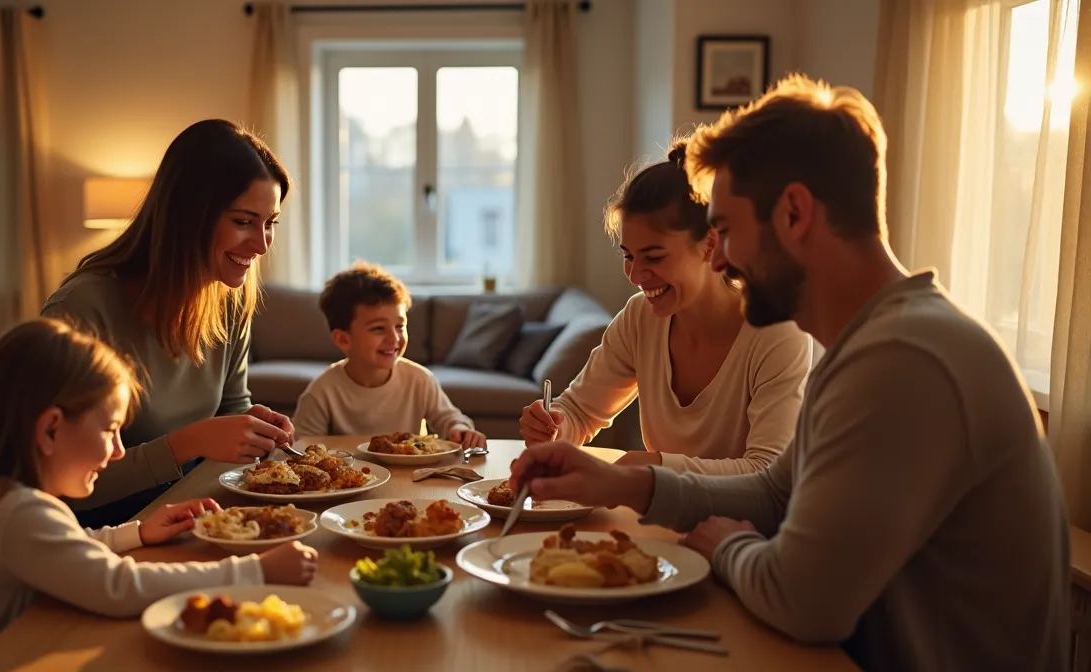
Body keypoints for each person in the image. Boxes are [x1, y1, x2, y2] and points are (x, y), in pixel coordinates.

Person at [508, 74, 1068, 672]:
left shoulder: (904, 360)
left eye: (723, 231)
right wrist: (626, 485)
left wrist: (728, 548)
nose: (718, 258)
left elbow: (804, 602)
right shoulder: (870, 342)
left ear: (795, 212)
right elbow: (779, 489)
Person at [0, 319, 318, 671]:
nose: (117, 451)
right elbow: (119, 587)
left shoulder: (1, 500)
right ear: (50, 431)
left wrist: (138, 533)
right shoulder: (18, 513)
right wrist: (255, 570)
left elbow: (67, 548)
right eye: (110, 430)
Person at [43, 119, 296, 527]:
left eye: (271, 223)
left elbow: (232, 406)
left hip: (191, 513)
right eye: (244, 221)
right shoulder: (83, 309)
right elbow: (58, 483)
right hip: (102, 533)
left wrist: (253, 428)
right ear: (188, 215)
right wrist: (187, 444)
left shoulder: (228, 300)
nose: (263, 243)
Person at [519, 141, 811, 474]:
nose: (635, 275)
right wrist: (553, 426)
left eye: (654, 257)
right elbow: (579, 412)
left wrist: (655, 468)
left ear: (710, 245)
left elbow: (768, 473)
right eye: (629, 255)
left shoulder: (777, 332)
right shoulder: (640, 317)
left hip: (754, 526)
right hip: (665, 520)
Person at [292, 262, 488, 448]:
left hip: (409, 479)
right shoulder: (321, 391)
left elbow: (449, 418)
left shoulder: (419, 380)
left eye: (399, 326)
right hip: (350, 480)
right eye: (378, 328)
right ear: (343, 339)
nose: (394, 338)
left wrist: (459, 429)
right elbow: (303, 445)